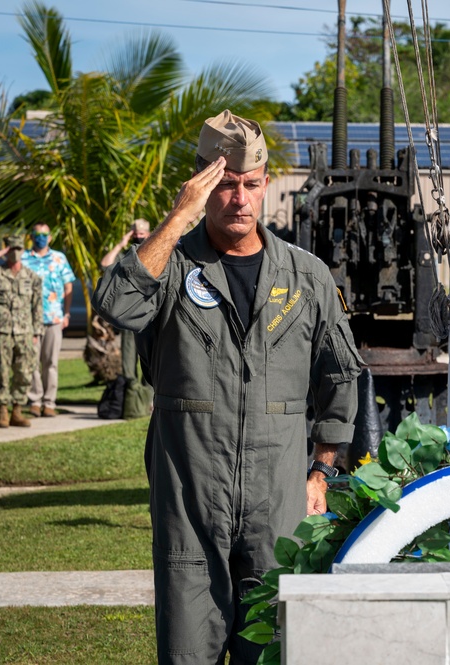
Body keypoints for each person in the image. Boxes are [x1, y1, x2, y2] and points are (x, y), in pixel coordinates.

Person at [93, 110, 361, 664]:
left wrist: (323, 470)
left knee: (274, 651)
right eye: (225, 186)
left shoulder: (304, 275)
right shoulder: (170, 268)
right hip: (190, 503)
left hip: (279, 504)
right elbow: (116, 303)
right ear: (202, 186)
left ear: (265, 186)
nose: (239, 199)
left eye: (251, 185)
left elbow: (341, 373)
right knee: (189, 652)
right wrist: (178, 218)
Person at [0, 235, 43, 428]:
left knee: (24, 372)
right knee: (1, 370)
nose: (16, 253)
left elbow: (37, 306)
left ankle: (17, 410)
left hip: (25, 331)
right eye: (12, 249)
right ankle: (3, 411)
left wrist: (37, 332)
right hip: (2, 330)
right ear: (6, 250)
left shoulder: (32, 277)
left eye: (19, 249)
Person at [22, 223, 76, 417]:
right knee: (32, 362)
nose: (41, 237)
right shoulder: (23, 258)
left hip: (54, 318)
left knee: (50, 362)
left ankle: (49, 402)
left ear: (50, 237)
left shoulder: (59, 258)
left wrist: (66, 314)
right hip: (29, 320)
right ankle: (35, 400)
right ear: (31, 236)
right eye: (37, 234)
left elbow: (68, 287)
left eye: (44, 234)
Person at [100, 219, 154, 417]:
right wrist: (121, 244)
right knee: (129, 362)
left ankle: (149, 401)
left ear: (149, 233)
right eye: (136, 234)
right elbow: (105, 264)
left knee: (151, 362)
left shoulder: (155, 251)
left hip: (150, 318)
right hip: (128, 318)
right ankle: (133, 404)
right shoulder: (127, 255)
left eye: (143, 234)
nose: (139, 237)